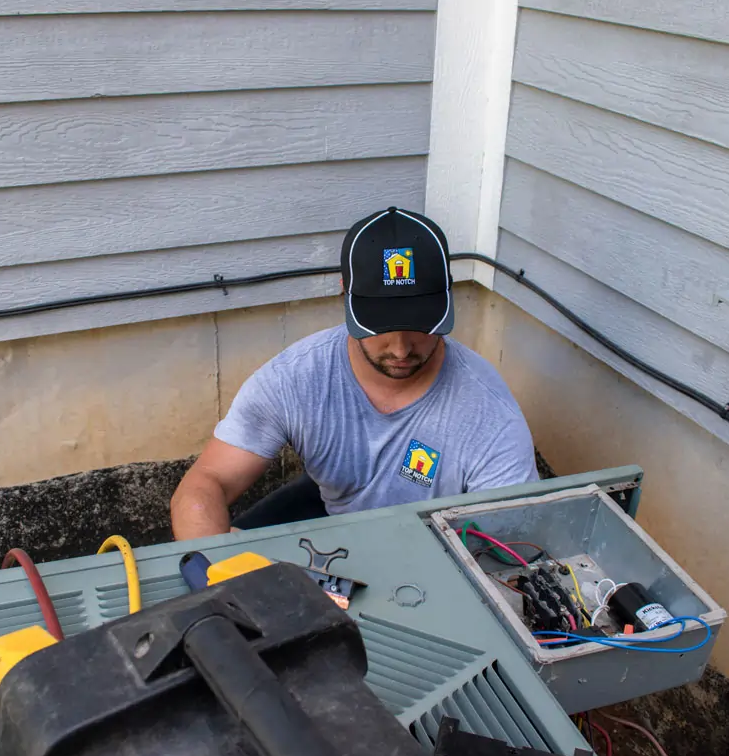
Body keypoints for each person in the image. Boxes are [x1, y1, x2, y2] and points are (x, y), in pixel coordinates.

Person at [170, 207, 540, 540]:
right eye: (381, 325)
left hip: (438, 550)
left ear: (446, 297)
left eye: (419, 324)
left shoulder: (489, 415)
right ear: (345, 293)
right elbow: (207, 483)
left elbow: (511, 544)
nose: (401, 348)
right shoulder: (296, 378)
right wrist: (216, 575)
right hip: (338, 527)